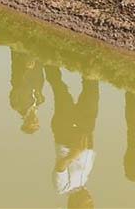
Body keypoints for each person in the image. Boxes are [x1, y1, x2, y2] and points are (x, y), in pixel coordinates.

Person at [46, 66, 99, 209]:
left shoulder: (62, 188)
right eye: (92, 205)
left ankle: (47, 56)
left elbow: (60, 167)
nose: (91, 201)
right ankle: (90, 58)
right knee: (92, 90)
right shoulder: (83, 182)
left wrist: (74, 153)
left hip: (65, 133)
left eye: (87, 206)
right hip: (85, 133)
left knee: (59, 89)